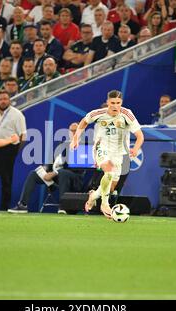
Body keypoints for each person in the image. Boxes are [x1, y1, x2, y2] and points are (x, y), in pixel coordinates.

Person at [70, 90, 144, 218]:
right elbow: (84, 121)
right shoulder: (98, 113)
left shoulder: (127, 114)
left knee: (110, 186)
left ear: (121, 103)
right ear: (107, 102)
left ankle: (93, 196)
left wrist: (136, 148)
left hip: (119, 152)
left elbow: (140, 136)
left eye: (118, 103)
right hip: (101, 148)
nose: (115, 106)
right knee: (108, 172)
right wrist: (76, 138)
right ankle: (104, 204)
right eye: (112, 103)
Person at [9, 122, 85, 214]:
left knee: (63, 173)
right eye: (71, 130)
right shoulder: (62, 144)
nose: (72, 133)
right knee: (34, 174)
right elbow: (53, 161)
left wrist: (55, 173)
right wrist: (45, 168)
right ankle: (22, 205)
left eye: (75, 131)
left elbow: (78, 170)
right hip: (56, 178)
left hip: (73, 180)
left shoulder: (84, 146)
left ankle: (63, 206)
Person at [0, 90, 27, 210]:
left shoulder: (17, 114)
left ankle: (4, 207)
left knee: (6, 180)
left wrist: (15, 152)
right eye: (0, 99)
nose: (3, 101)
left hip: (9, 149)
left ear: (9, 100)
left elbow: (23, 136)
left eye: (5, 99)